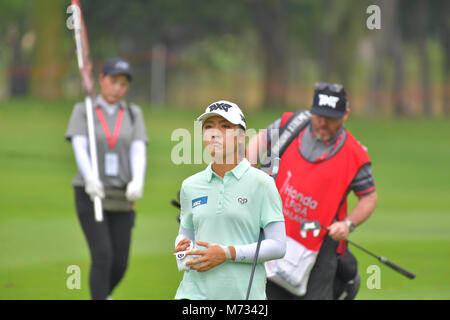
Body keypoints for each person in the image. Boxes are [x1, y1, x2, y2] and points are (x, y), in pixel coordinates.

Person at [246, 82, 378, 300]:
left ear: (345, 115)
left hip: (321, 248)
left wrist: (348, 224)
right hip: (271, 230)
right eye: (318, 116)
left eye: (331, 118)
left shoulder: (355, 155)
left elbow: (369, 198)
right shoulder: (291, 123)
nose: (323, 123)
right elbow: (257, 144)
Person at [174, 100, 286, 300]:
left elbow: (278, 246)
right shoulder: (190, 186)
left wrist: (227, 253)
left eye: (225, 127)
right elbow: (185, 235)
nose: (215, 133)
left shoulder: (262, 184)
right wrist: (182, 248)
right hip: (194, 295)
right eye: (209, 127)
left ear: (241, 136)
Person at [65, 57, 148, 300]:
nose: (118, 88)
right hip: (90, 194)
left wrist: (138, 181)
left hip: (122, 195)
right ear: (102, 80)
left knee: (120, 262)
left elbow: (138, 150)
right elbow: (79, 146)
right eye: (113, 82)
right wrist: (90, 178)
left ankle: (104, 296)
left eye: (123, 84)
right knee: (102, 254)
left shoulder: (133, 114)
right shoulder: (85, 111)